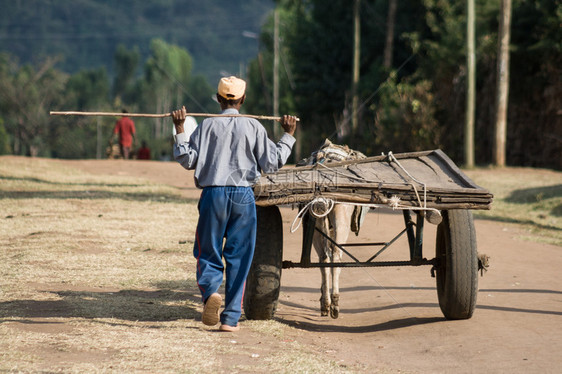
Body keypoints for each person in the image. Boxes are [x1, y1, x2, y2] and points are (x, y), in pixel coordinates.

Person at [172, 76, 297, 332]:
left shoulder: (206, 127)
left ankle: (209, 294)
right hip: (243, 196)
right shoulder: (254, 127)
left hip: (213, 195)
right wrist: (288, 135)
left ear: (218, 99)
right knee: (240, 257)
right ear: (243, 100)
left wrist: (180, 128)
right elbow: (272, 164)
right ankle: (230, 319)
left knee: (208, 251)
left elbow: (187, 160)